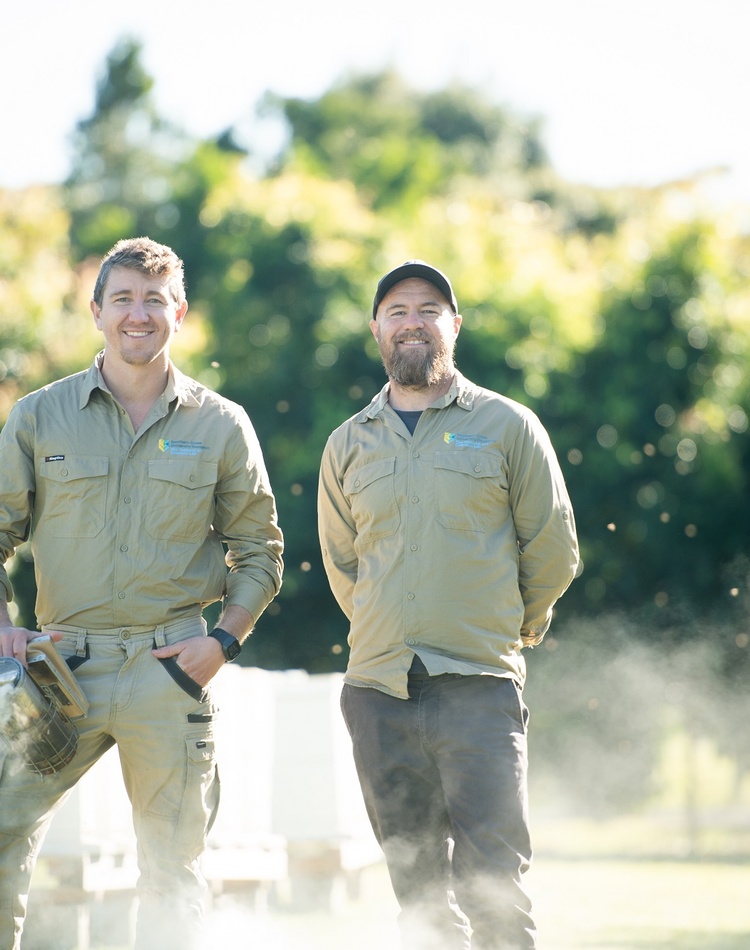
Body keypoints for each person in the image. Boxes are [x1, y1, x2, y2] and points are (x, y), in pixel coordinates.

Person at [0, 237, 283, 949]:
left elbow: (260, 552)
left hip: (169, 671)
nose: (138, 314)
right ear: (97, 312)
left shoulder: (221, 425)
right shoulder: (39, 417)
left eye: (154, 300)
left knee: (171, 870)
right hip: (57, 672)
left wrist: (222, 643)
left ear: (178, 313)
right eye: (122, 298)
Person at [318, 261, 578, 949]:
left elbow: (552, 547)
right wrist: (387, 629)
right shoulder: (347, 443)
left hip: (479, 685)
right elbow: (344, 564)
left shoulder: (507, 426)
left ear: (453, 326)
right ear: (377, 327)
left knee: (494, 881)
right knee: (417, 890)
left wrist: (511, 626)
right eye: (397, 309)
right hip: (378, 691)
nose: (412, 321)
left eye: (429, 308)